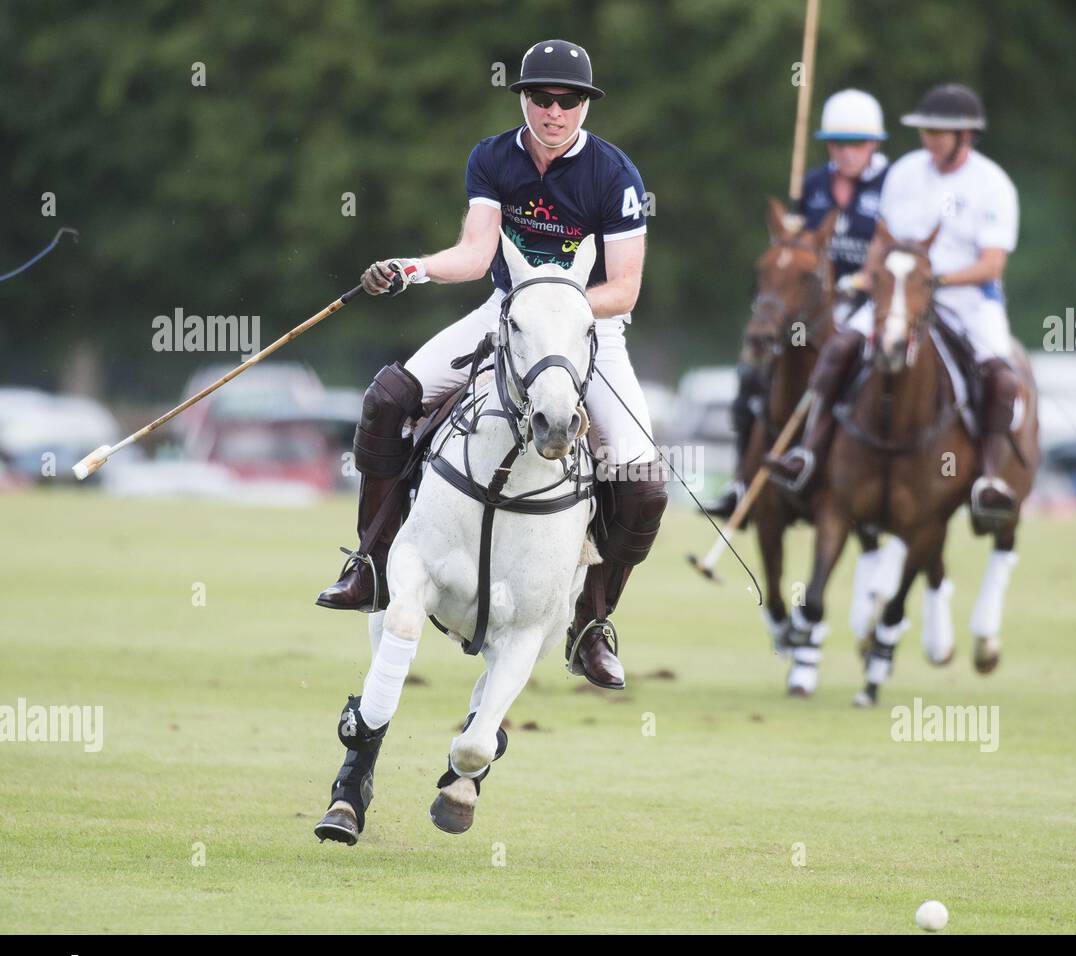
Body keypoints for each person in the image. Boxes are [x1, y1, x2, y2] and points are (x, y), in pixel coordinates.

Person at [316, 39, 666, 690]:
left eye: (568, 100)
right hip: (506, 314)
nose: (554, 111)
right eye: (541, 97)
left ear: (586, 105)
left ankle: (590, 621)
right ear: (524, 99)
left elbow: (624, 287)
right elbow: (477, 254)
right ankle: (372, 562)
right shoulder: (493, 158)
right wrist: (412, 269)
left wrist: (555, 304)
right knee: (390, 396)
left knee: (645, 484)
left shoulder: (614, 176)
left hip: (593, 327)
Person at [766, 83, 1022, 523]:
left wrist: (936, 279)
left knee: (1001, 378)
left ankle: (990, 477)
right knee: (839, 350)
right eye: (925, 130)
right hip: (899, 293)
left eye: (939, 132)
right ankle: (807, 455)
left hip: (968, 300)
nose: (929, 139)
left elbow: (992, 265)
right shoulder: (904, 173)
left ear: (966, 135)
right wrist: (865, 278)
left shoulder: (993, 184)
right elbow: (881, 244)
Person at [702, 88, 889, 517]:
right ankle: (740, 480)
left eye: (855, 143)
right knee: (754, 373)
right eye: (837, 143)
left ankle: (876, 481)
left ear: (874, 144)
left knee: (875, 377)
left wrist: (859, 280)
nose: (845, 152)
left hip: (866, 301)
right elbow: (798, 241)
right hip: (813, 301)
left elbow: (895, 250)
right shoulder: (814, 184)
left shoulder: (892, 185)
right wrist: (787, 232)